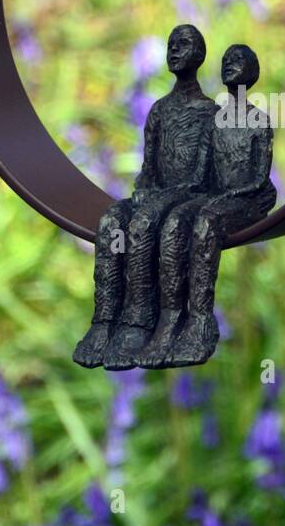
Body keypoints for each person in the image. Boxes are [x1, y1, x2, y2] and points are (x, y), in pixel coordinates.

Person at [73, 24, 217, 370]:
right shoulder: (158, 110)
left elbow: (203, 174)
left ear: (198, 56)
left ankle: (145, 319)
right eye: (170, 45)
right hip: (157, 194)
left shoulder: (209, 112)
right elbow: (148, 166)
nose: (173, 51)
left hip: (191, 196)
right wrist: (142, 193)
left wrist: (158, 201)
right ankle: (106, 319)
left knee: (146, 223)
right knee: (110, 222)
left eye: (182, 45)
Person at [140, 44, 275, 368]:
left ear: (252, 72)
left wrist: (227, 195)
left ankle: (201, 320)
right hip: (217, 196)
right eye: (226, 61)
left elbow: (258, 177)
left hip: (249, 198)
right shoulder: (215, 120)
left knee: (205, 225)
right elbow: (201, 174)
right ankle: (171, 315)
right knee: (173, 222)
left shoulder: (259, 121)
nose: (229, 66)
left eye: (237, 62)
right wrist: (175, 195)